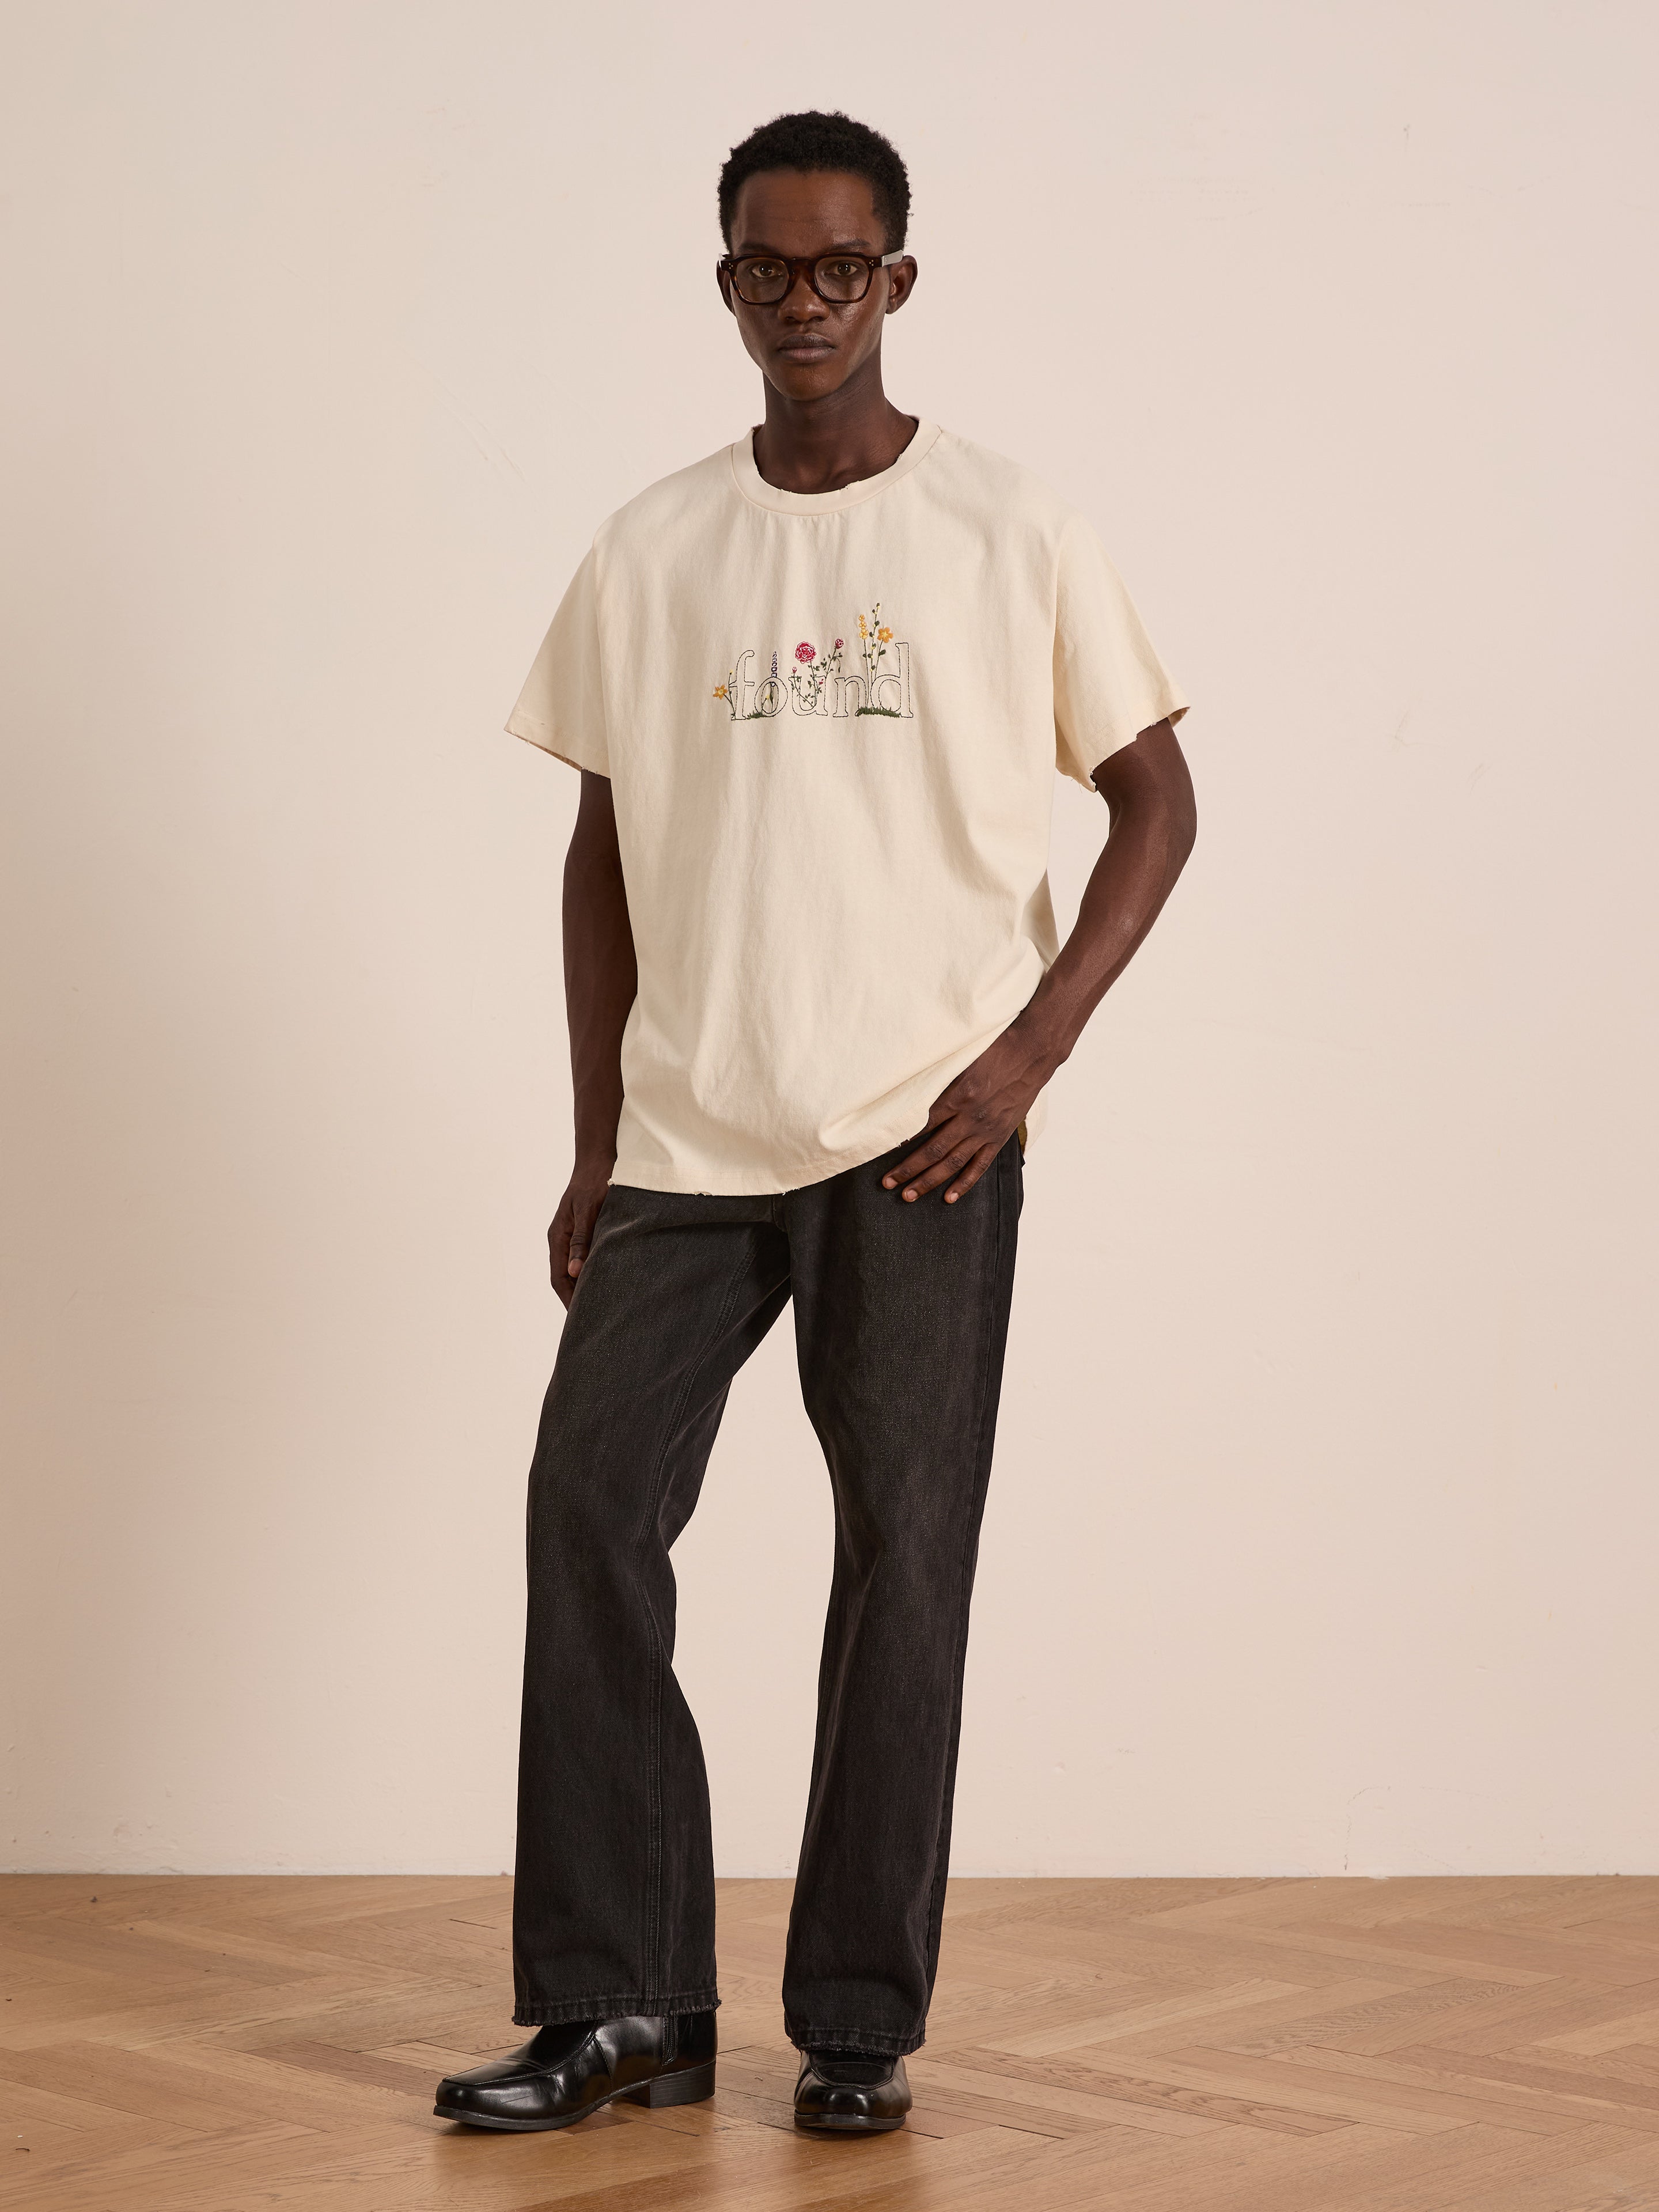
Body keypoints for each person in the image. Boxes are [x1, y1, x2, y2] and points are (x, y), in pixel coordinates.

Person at [435, 108, 1195, 2139]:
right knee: (590, 1515)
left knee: (903, 1556)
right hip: (693, 1136)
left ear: (900, 284)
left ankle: (856, 2016)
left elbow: (1159, 804)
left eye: (840, 268)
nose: (803, 302)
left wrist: (1024, 1058)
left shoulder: (1009, 530)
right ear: (724, 288)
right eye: (767, 270)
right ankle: (620, 2002)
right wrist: (597, 1138)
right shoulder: (656, 542)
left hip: (918, 1137)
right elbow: (598, 854)